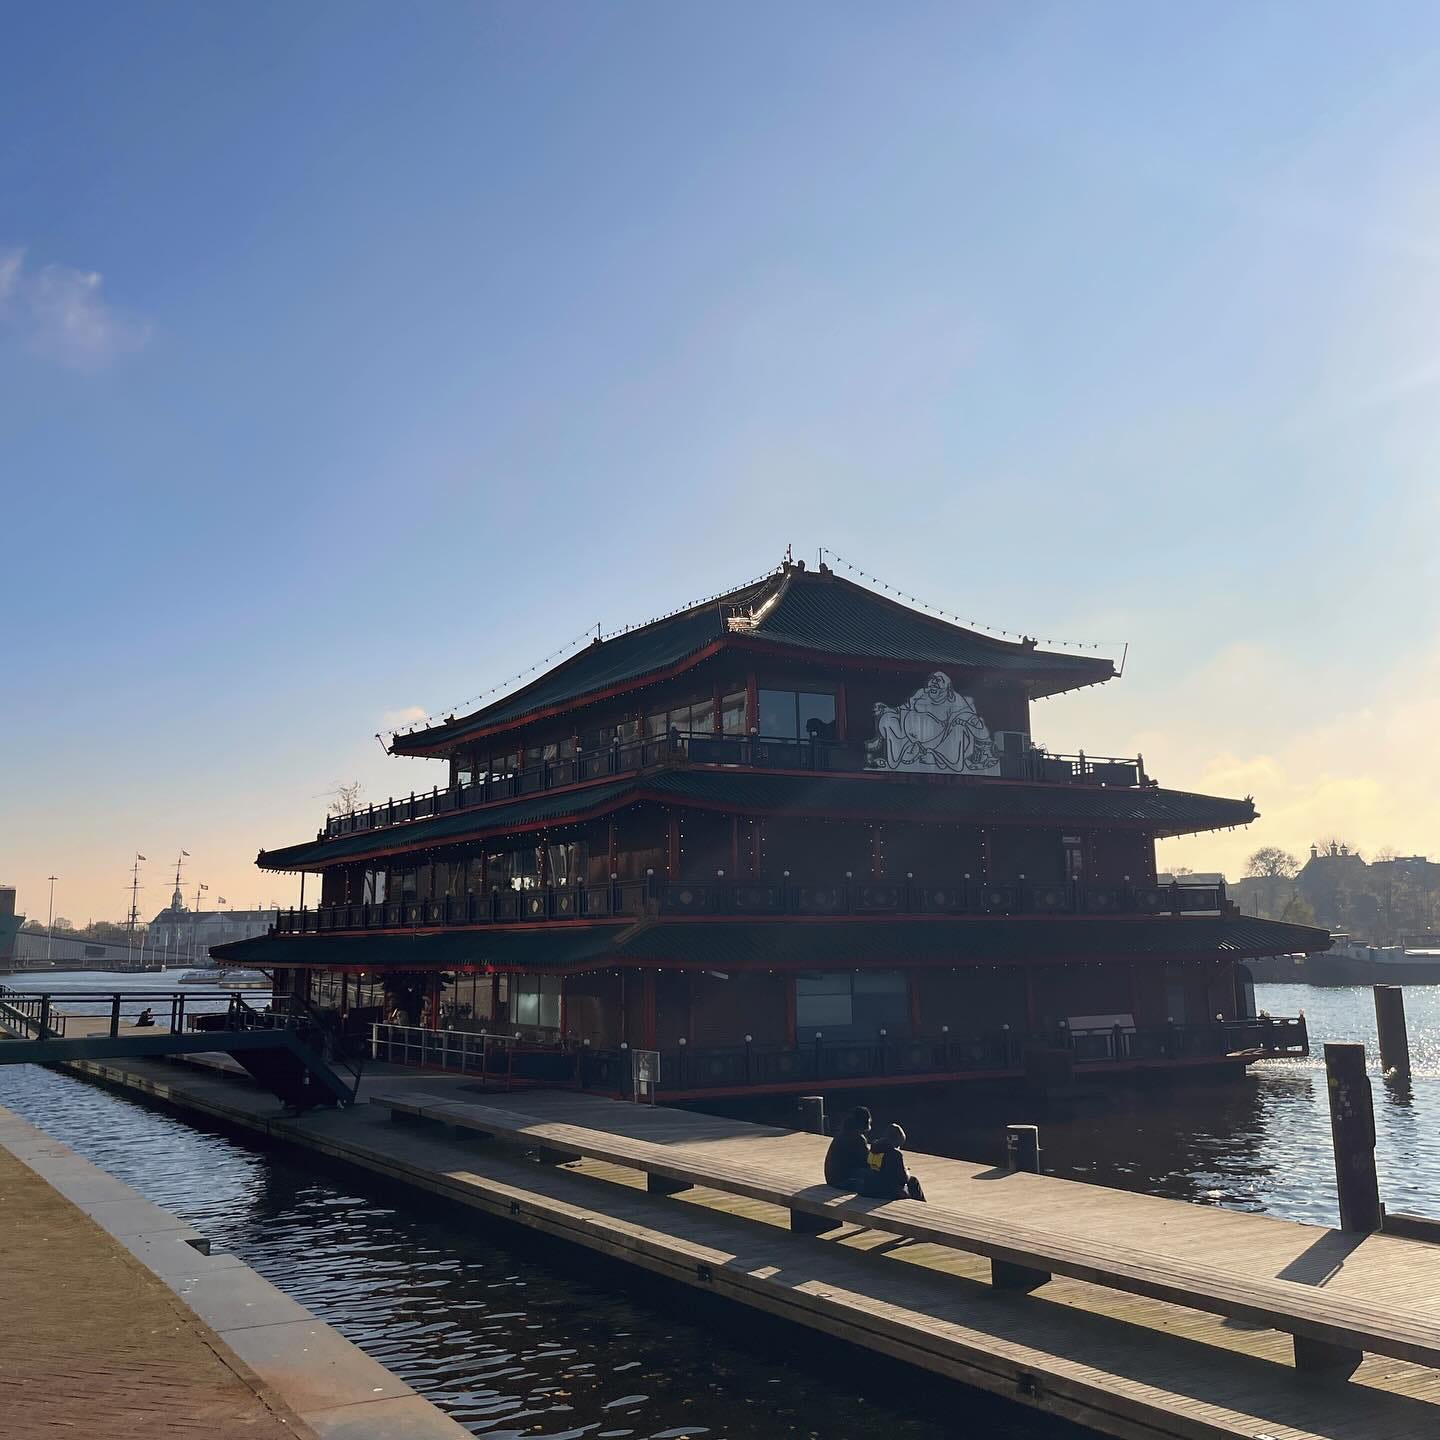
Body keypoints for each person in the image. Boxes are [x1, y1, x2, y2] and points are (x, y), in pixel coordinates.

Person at [859, 1122, 926, 1202]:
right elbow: (903, 1179)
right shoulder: (895, 1153)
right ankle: (922, 1206)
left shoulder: (873, 1148)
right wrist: (907, 1171)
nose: (899, 1148)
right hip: (884, 1192)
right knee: (913, 1181)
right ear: (896, 1141)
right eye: (899, 1145)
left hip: (868, 1187)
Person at [823, 1105, 872, 1187]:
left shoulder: (842, 1134)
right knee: (873, 1176)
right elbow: (867, 1161)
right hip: (843, 1180)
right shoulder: (858, 1138)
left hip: (831, 1178)